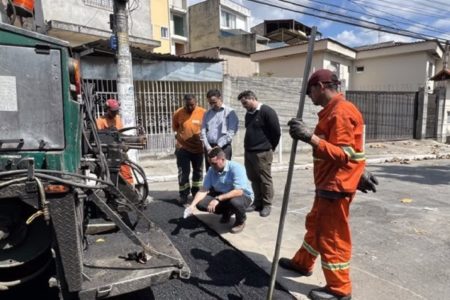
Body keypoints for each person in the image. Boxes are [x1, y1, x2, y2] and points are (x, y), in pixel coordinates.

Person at [279, 69, 378, 300]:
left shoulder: (341, 111)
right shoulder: (334, 111)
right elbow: (353, 150)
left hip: (335, 186)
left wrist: (309, 137)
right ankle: (303, 263)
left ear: (321, 86)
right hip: (327, 183)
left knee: (332, 237)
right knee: (315, 225)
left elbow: (343, 154)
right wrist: (359, 170)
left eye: (310, 91)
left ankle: (339, 289)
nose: (309, 96)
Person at [187, 147, 254, 234]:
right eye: (210, 163)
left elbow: (239, 191)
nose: (211, 166)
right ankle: (227, 212)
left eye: (214, 163)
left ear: (223, 159)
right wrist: (192, 205)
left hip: (243, 196)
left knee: (235, 203)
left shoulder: (236, 168)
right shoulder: (212, 170)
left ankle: (240, 221)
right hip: (223, 195)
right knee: (201, 203)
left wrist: (217, 199)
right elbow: (203, 189)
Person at [238, 90, 280, 217]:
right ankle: (257, 202)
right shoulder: (249, 114)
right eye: (242, 104)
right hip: (249, 152)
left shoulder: (267, 111)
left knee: (265, 179)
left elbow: (276, 132)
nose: (244, 106)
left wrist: (270, 147)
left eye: (245, 103)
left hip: (262, 153)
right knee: (253, 179)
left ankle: (267, 205)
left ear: (252, 98)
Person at [172, 94, 206, 205]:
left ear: (196, 103)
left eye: (192, 105)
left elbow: (208, 128)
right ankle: (183, 195)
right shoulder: (178, 113)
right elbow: (175, 128)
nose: (190, 107)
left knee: (198, 173)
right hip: (183, 148)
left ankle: (196, 194)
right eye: (187, 105)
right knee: (183, 173)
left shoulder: (203, 112)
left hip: (198, 149)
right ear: (184, 103)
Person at [96, 98, 134, 184]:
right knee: (108, 174)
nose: (115, 113)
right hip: (107, 153)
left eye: (116, 111)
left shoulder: (118, 118)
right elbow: (99, 138)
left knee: (126, 171)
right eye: (113, 111)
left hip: (118, 149)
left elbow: (120, 134)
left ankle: (130, 188)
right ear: (107, 109)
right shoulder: (100, 121)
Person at [201, 89, 239, 170]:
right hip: (209, 148)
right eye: (210, 103)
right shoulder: (207, 114)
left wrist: (218, 146)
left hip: (223, 147)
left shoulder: (230, 112)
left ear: (220, 98)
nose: (212, 105)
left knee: (223, 171)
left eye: (214, 102)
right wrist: (208, 147)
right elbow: (203, 131)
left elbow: (231, 132)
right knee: (210, 171)